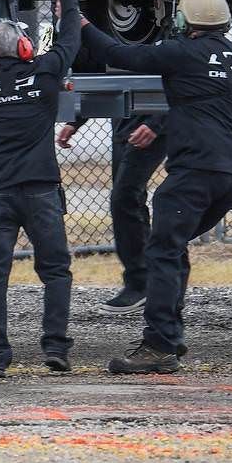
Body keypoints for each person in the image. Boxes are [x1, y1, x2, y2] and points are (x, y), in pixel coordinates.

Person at [78, 0, 232, 374]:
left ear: (184, 20)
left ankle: (159, 343)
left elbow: (119, 54)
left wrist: (79, 23)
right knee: (172, 247)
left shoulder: (181, 52)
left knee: (161, 251)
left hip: (193, 173)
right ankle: (169, 338)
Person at [0, 0, 83, 377]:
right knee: (55, 271)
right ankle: (56, 348)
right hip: (41, 190)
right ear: (25, 47)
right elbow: (70, 43)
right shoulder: (45, 74)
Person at [57, 111, 168, 315]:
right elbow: (97, 81)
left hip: (153, 125)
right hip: (125, 125)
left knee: (124, 199)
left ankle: (142, 283)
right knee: (130, 201)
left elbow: (178, 82)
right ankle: (152, 284)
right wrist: (75, 121)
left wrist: (156, 123)